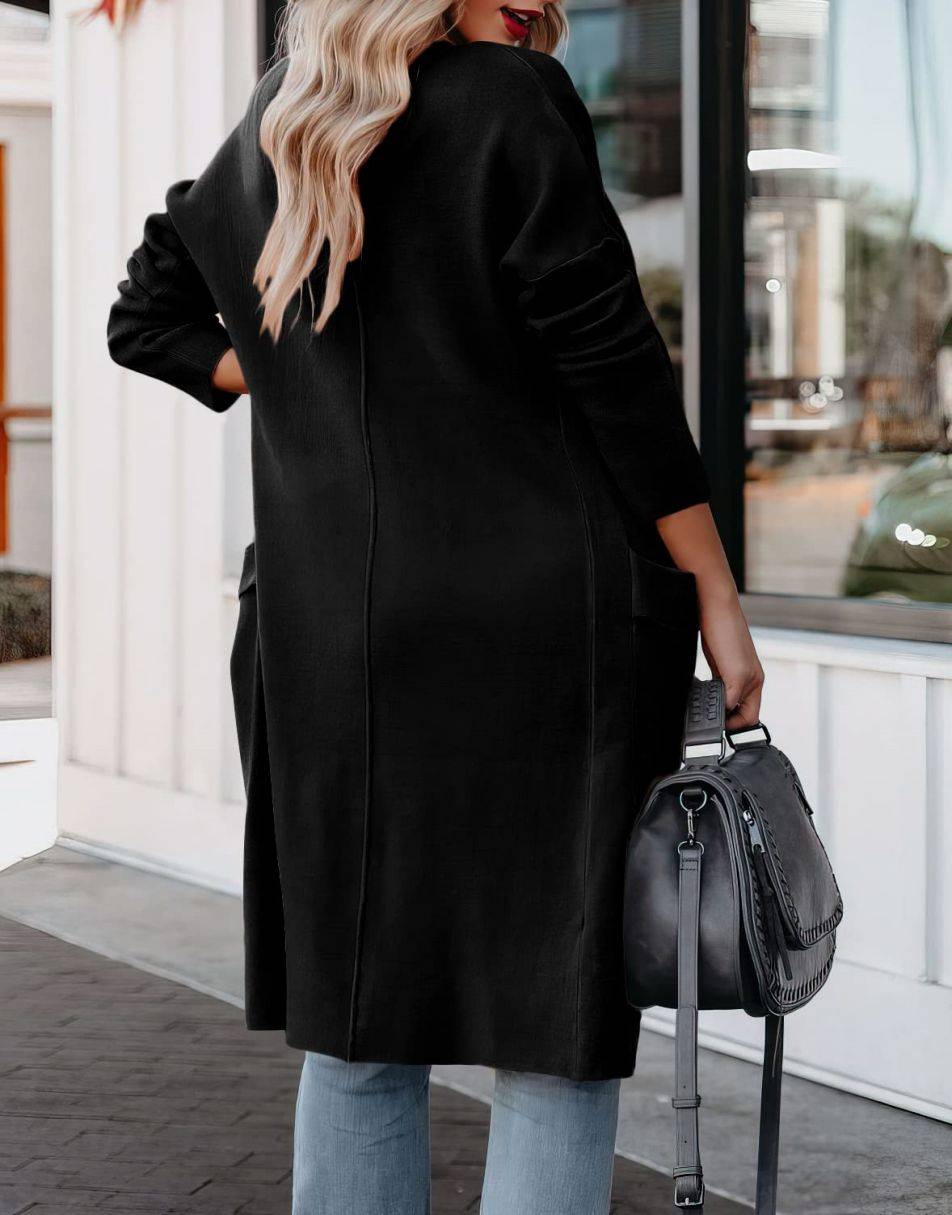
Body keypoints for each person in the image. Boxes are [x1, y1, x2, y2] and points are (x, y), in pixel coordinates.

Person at [106, 1, 764, 1211]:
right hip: (537, 631)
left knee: (360, 1022)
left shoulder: (284, 118)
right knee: (552, 1020)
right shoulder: (512, 101)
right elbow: (613, 363)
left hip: (327, 636)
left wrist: (301, 362)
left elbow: (146, 319)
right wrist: (713, 588)